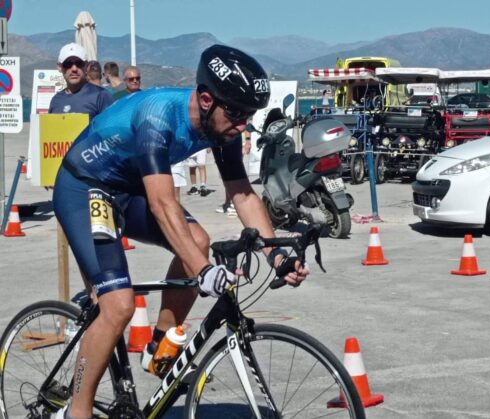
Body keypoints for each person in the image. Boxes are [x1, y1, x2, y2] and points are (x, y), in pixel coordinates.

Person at [53, 44, 309, 419]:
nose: (242, 125)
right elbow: (161, 204)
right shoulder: (158, 116)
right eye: (237, 114)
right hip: (84, 186)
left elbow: (241, 193)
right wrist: (204, 272)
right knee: (119, 305)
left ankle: (159, 347)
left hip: (127, 187)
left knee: (199, 241)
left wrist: (276, 254)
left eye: (248, 115)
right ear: (207, 100)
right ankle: (76, 412)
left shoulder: (223, 128)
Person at [49, 43, 114, 120]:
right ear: (59, 67)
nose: (74, 69)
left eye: (79, 63)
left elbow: (111, 129)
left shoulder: (101, 96)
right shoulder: (56, 100)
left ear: (86, 66)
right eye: (68, 64)